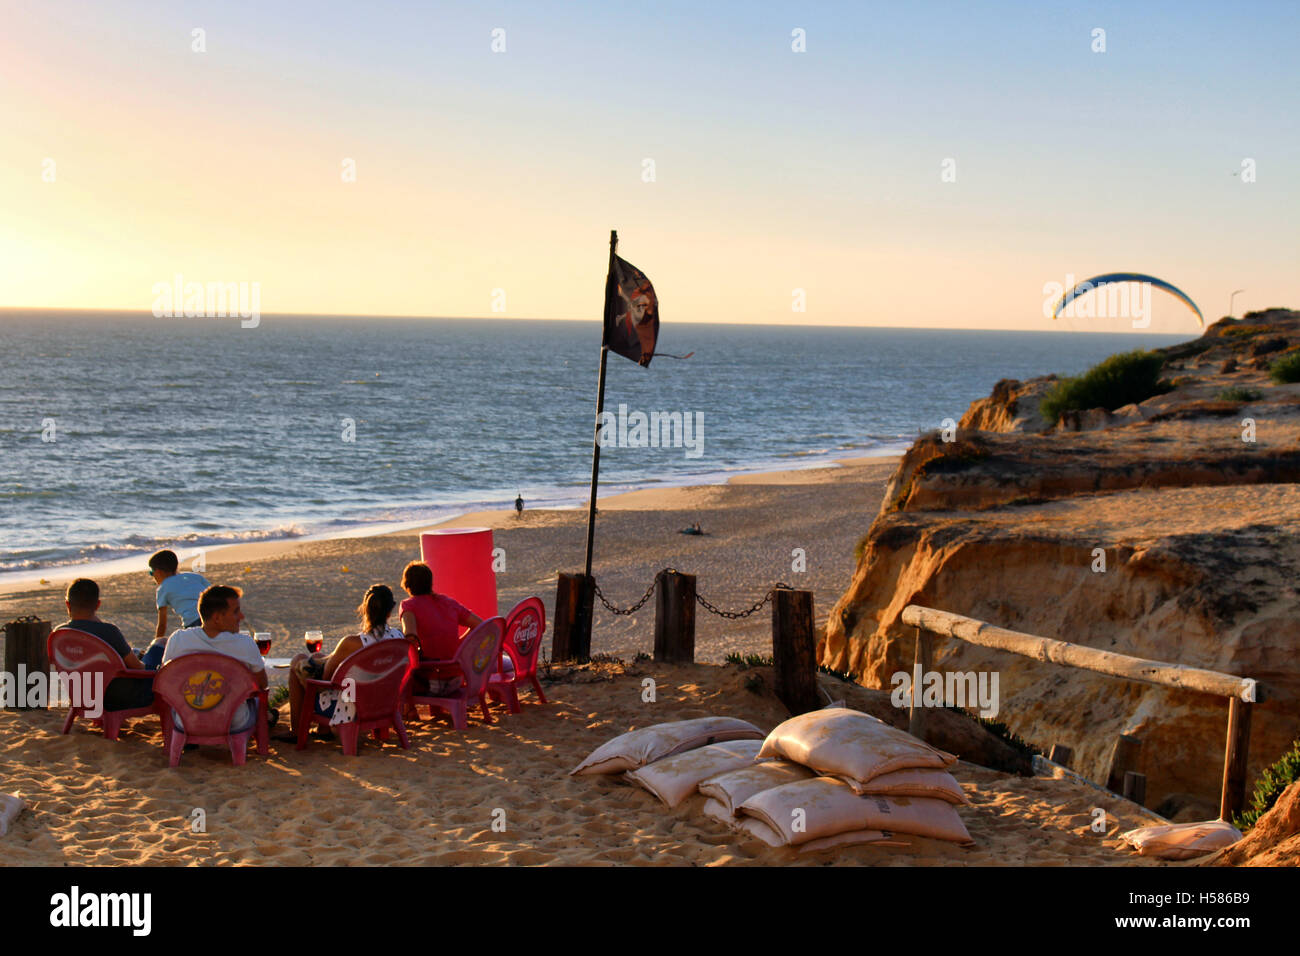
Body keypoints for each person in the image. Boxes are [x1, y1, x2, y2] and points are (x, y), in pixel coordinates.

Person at [282, 584, 405, 740]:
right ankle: (323, 730)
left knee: (298, 662)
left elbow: (326, 679)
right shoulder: (399, 638)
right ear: (389, 612)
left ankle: (296, 732)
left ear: (365, 610)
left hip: (353, 709)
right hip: (385, 704)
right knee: (326, 662)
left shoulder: (352, 643)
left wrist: (313, 663)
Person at [160, 585, 267, 735]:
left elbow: (167, 681)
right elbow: (262, 684)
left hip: (186, 720)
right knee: (256, 703)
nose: (241, 617)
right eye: (235, 612)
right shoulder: (245, 644)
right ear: (217, 617)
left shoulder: (178, 639)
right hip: (233, 721)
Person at [58, 578, 154, 712]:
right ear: (97, 605)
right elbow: (138, 668)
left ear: (67, 605)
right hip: (116, 699)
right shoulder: (109, 632)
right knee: (157, 648)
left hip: (81, 697)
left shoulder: (59, 633)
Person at [398, 561, 481, 696]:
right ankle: (436, 710)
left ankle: (410, 710)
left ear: (407, 585)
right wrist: (460, 643)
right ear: (430, 582)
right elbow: (480, 625)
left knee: (395, 669)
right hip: (456, 679)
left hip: (431, 682)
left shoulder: (408, 606)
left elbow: (410, 637)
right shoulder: (448, 602)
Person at [141, 549, 210, 668]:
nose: (153, 577)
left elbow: (162, 624)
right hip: (212, 617)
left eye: (151, 573)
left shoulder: (162, 588)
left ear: (158, 572)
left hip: (193, 623)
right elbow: (215, 593)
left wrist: (156, 643)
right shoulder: (195, 576)